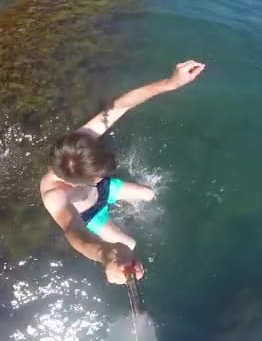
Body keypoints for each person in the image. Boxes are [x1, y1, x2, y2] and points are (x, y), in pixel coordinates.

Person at [40, 60, 206, 284]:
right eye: (99, 172)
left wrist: (170, 83)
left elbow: (121, 105)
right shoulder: (54, 194)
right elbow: (74, 232)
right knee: (129, 245)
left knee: (149, 194)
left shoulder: (78, 142)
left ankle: (116, 199)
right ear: (81, 180)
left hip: (103, 189)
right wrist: (106, 255)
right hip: (92, 215)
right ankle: (115, 221)